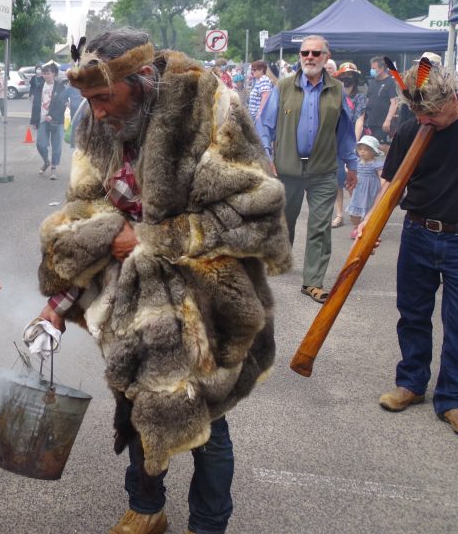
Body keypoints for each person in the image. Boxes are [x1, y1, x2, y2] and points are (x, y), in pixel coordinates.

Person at [37, 29, 289, 534]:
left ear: (141, 80)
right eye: (89, 100)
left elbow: (256, 207)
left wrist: (155, 237)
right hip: (134, 297)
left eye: (104, 98)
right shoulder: (94, 123)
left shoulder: (208, 104)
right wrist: (58, 303)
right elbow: (86, 214)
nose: (96, 112)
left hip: (207, 297)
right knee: (138, 400)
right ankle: (146, 508)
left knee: (207, 418)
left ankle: (209, 524)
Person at [355, 59, 458, 440]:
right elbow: (391, 185)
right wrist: (369, 224)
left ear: (453, 97)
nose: (424, 120)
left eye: (432, 114)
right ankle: (411, 383)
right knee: (412, 314)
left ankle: (454, 400)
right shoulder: (412, 129)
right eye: (417, 113)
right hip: (418, 234)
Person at [258, 35, 357, 304]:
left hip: (323, 171)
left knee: (320, 227)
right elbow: (265, 125)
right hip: (287, 170)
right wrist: (266, 156)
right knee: (285, 220)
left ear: (326, 57)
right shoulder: (284, 87)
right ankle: (280, 257)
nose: (309, 57)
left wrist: (352, 165)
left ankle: (313, 281)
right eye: (305, 53)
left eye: (315, 53)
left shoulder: (337, 90)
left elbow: (346, 132)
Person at [331, 62, 366, 228]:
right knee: (338, 180)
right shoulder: (334, 95)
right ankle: (339, 214)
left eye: (350, 76)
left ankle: (357, 216)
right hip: (336, 141)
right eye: (344, 76)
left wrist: (353, 145)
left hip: (354, 141)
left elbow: (359, 121)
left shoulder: (360, 98)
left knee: (352, 179)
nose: (347, 79)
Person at [30, 60, 69, 180]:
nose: (46, 75)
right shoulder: (39, 87)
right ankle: (46, 161)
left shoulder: (60, 86)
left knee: (56, 146)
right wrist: (34, 121)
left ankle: (53, 168)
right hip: (42, 120)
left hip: (57, 121)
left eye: (48, 73)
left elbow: (63, 104)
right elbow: (35, 104)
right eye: (44, 73)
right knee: (40, 144)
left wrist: (53, 115)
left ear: (54, 74)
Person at [345, 134, 384, 230]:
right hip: (358, 190)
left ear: (373, 151)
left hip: (371, 191)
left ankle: (370, 230)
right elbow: (349, 170)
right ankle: (357, 227)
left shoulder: (376, 164)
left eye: (366, 149)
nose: (362, 151)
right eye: (360, 149)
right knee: (354, 213)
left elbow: (382, 177)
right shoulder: (356, 161)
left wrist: (383, 188)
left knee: (371, 212)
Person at [365, 56, 399, 143]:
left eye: (373, 68)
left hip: (382, 124)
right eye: (371, 68)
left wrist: (388, 120)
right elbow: (367, 101)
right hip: (370, 123)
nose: (371, 70)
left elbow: (394, 103)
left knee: (374, 145)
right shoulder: (372, 82)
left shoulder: (390, 82)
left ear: (381, 68)